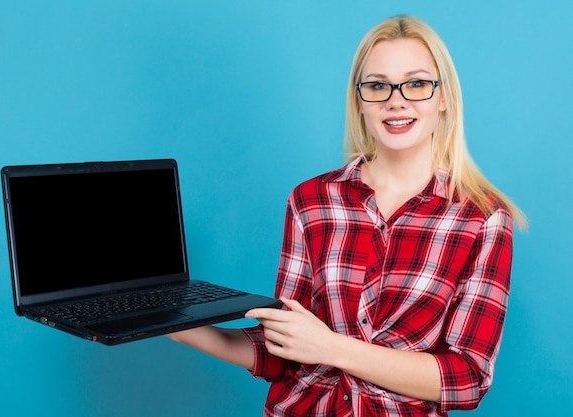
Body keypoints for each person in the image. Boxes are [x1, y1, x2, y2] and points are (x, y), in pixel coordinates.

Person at [168, 14, 526, 416]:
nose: (396, 99)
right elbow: (287, 350)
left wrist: (332, 347)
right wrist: (183, 328)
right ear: (359, 99)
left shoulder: (482, 218)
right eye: (377, 85)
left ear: (443, 98)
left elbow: (467, 380)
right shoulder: (311, 201)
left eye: (417, 83)